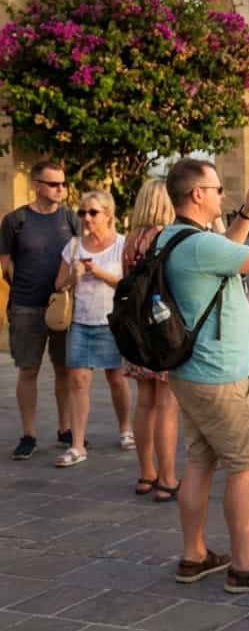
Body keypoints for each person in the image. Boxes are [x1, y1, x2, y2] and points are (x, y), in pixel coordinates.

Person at [159, 158, 249, 593]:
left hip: (191, 372)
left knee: (200, 461)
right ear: (197, 194)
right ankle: (244, 566)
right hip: (222, 376)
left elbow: (227, 257)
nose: (223, 195)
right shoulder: (201, 246)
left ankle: (194, 555)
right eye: (218, 189)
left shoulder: (176, 237)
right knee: (246, 467)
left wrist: (246, 212)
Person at [50, 189, 132, 467]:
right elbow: (58, 285)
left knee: (117, 379)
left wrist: (100, 274)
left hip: (112, 322)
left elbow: (128, 286)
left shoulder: (122, 245)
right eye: (82, 212)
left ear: (108, 214)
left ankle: (125, 429)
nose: (86, 217)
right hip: (81, 322)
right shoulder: (73, 246)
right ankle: (77, 446)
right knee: (78, 381)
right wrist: (75, 275)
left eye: (93, 212)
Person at [2, 161, 78, 460]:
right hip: (26, 306)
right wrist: (18, 282)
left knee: (64, 369)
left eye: (63, 183)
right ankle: (29, 434)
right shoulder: (15, 220)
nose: (61, 189)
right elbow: (5, 260)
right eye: (54, 184)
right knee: (28, 369)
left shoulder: (71, 219)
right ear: (36, 185)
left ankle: (65, 429)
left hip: (62, 307)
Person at [121, 179, 180, 500]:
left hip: (135, 331)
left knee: (144, 403)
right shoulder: (166, 238)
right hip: (163, 329)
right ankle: (168, 478)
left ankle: (146, 473)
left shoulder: (130, 241)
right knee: (167, 404)